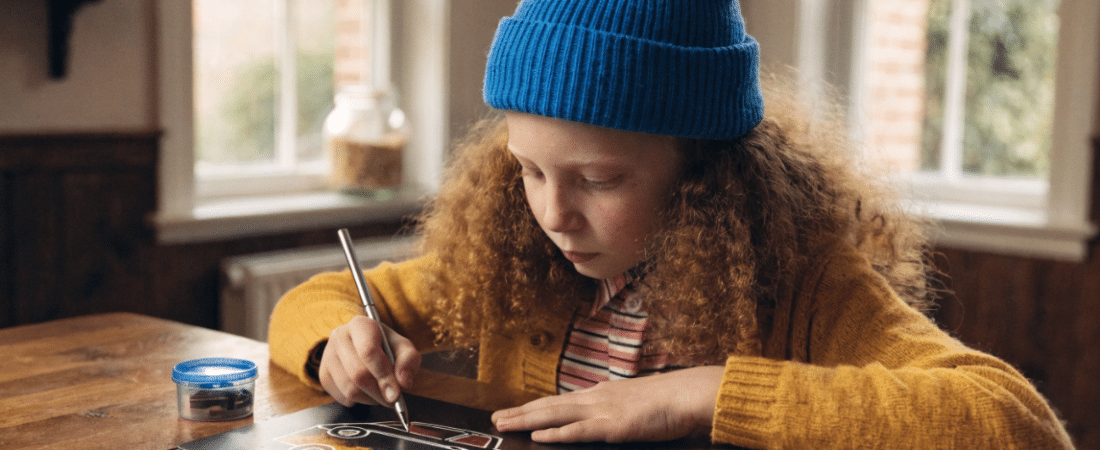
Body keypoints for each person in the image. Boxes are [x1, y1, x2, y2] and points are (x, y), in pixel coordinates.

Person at [268, 0, 1075, 448]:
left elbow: (1016, 423)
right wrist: (339, 341)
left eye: (601, 179)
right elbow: (316, 299)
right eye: (531, 170)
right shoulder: (518, 257)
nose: (553, 213)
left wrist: (708, 394)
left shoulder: (807, 286)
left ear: (705, 175)